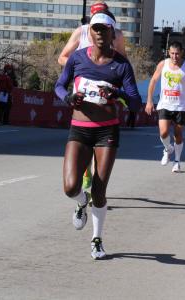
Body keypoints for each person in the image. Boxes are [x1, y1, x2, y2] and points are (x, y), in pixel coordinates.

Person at [55, 11, 141, 259]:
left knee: (100, 191)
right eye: (96, 29)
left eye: (105, 29)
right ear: (89, 33)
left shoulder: (122, 65)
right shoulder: (78, 58)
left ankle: (97, 239)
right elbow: (60, 85)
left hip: (107, 131)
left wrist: (118, 95)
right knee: (71, 187)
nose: (101, 33)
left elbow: (135, 103)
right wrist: (68, 97)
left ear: (113, 33)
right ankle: (81, 202)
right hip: (79, 129)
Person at [58, 1, 127, 191]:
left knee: (100, 151)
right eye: (95, 17)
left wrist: (113, 81)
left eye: (103, 14)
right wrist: (81, 69)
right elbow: (62, 57)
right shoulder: (81, 32)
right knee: (81, 145)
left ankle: (97, 186)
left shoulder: (117, 34)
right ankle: (86, 174)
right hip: (83, 94)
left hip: (106, 95)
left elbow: (123, 62)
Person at [145, 41, 185, 172]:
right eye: (172, 53)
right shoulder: (163, 64)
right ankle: (167, 149)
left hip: (180, 107)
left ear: (182, 53)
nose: (175, 57)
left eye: (177, 54)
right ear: (169, 52)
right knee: (163, 133)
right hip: (165, 104)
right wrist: (149, 100)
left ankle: (177, 161)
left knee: (178, 135)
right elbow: (153, 81)